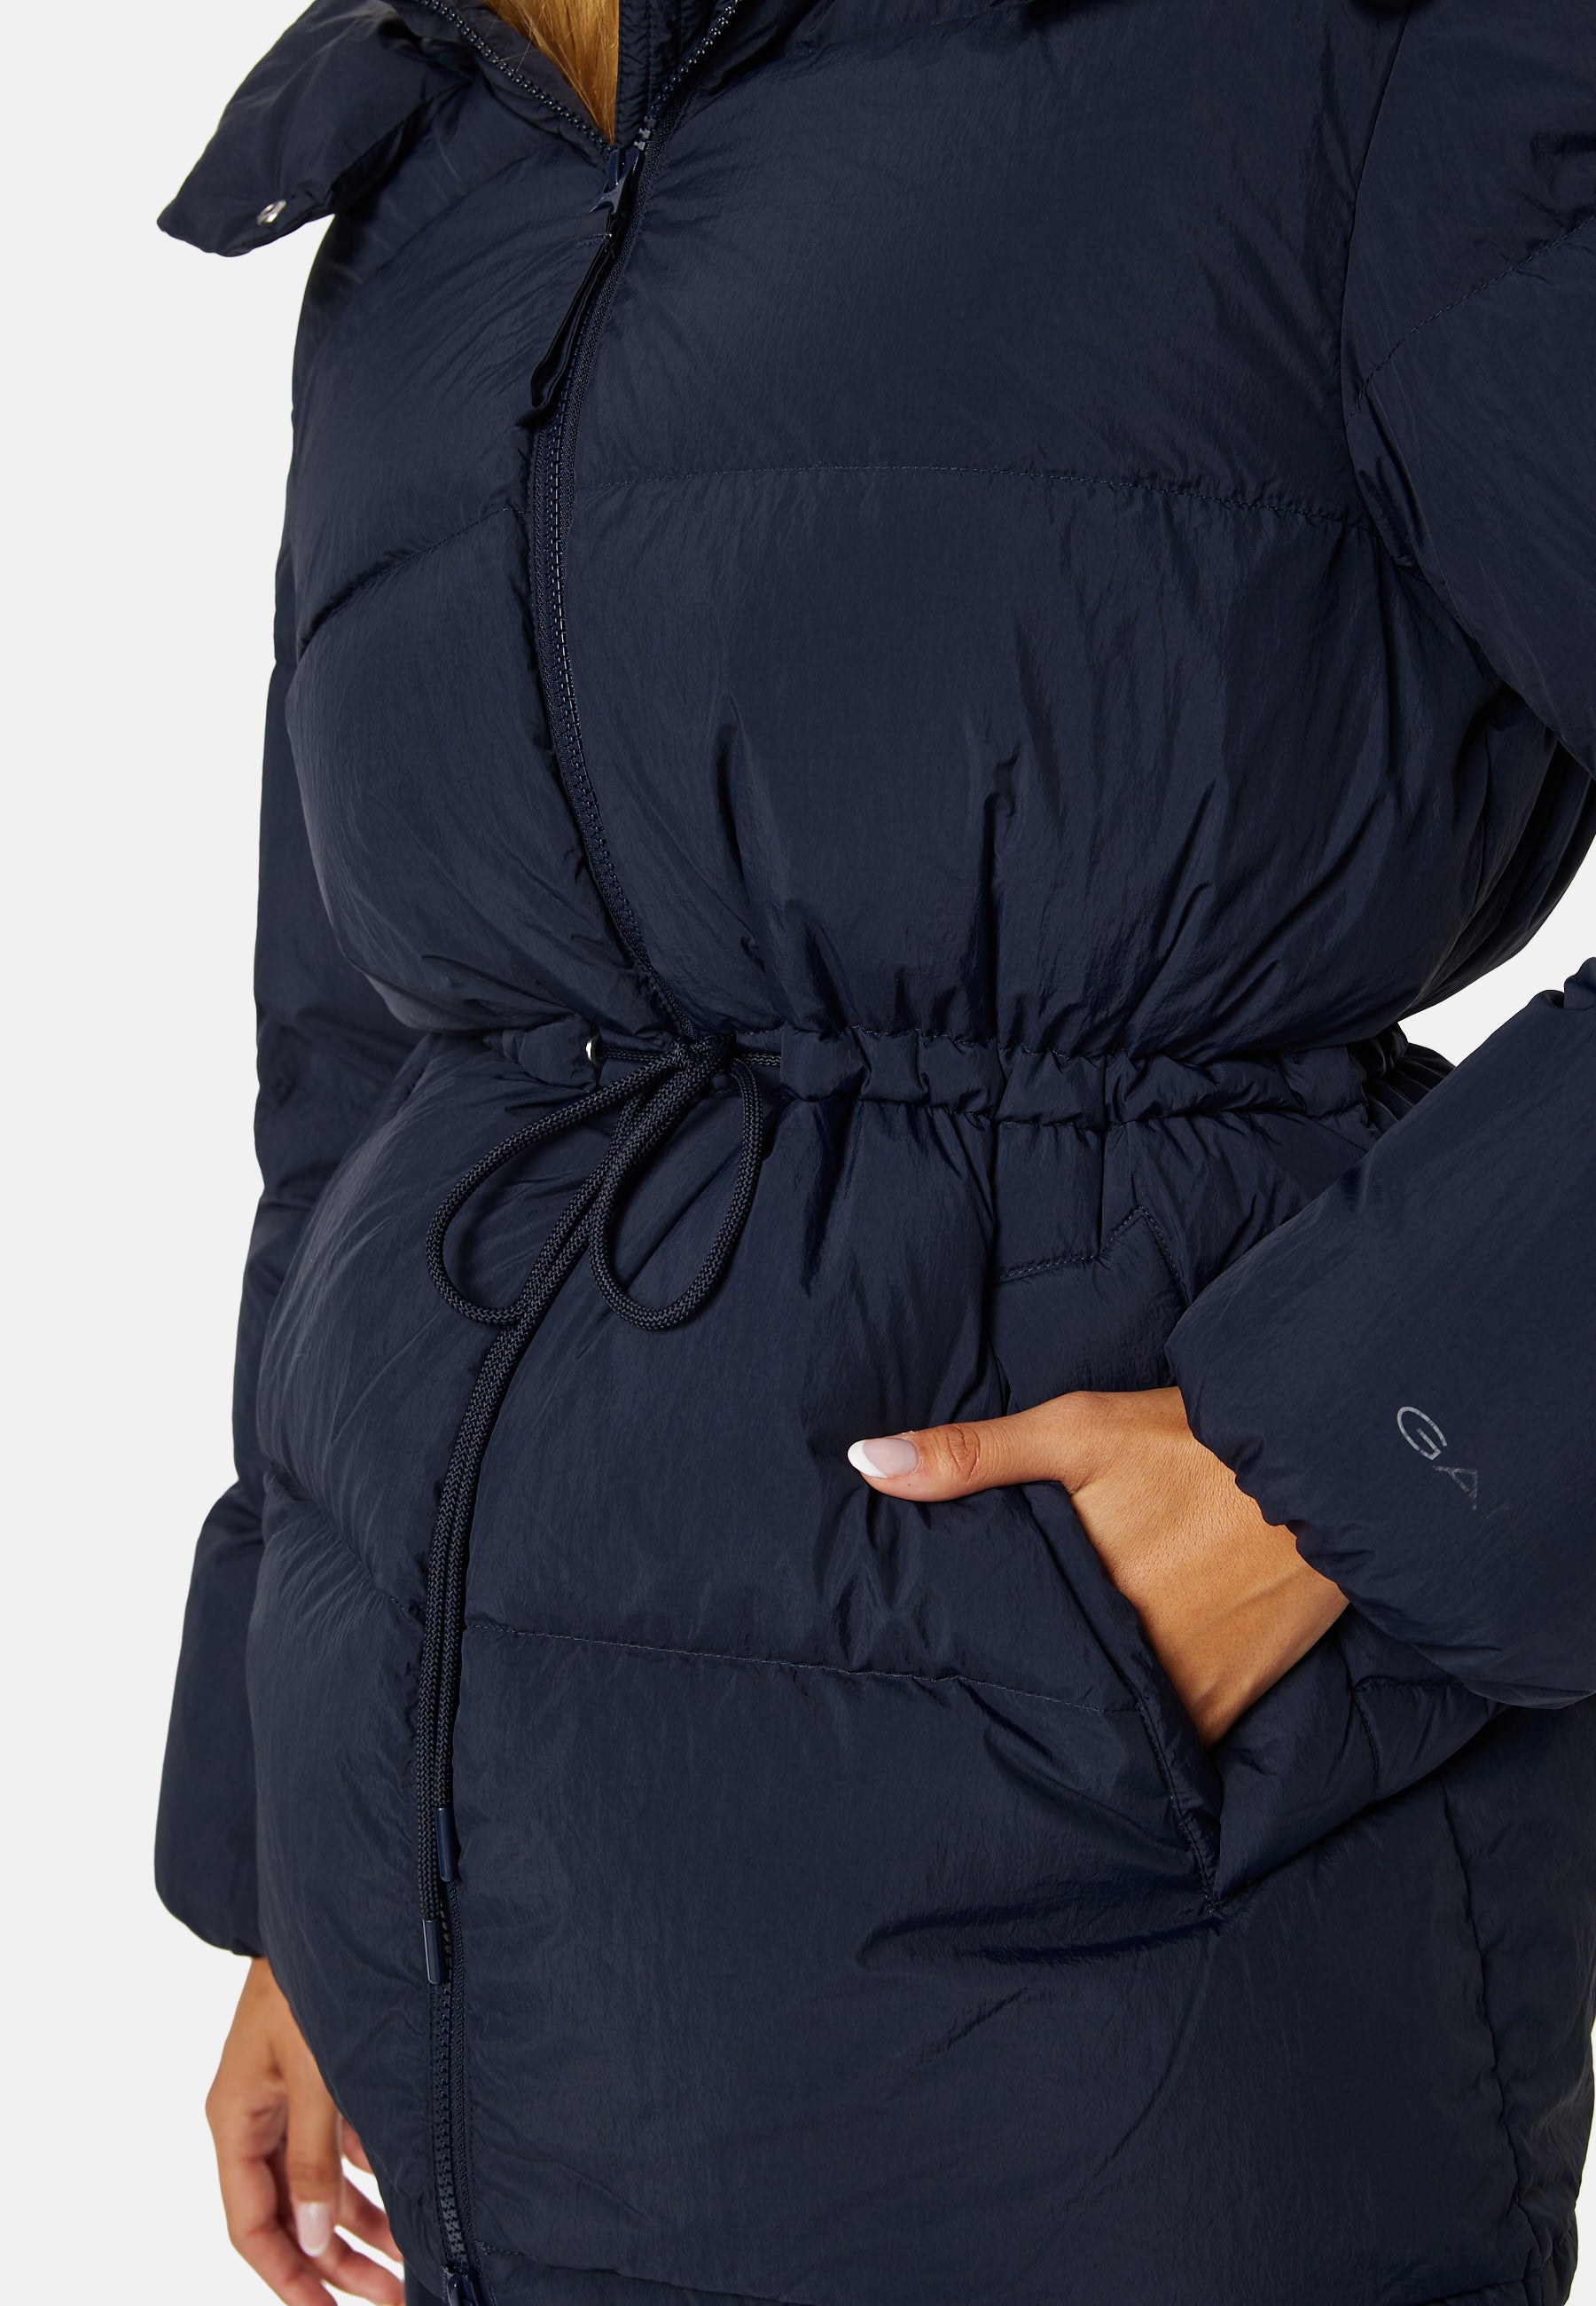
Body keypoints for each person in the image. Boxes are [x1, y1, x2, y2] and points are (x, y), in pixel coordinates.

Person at [156, 0, 1596, 2300]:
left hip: (1113, 1962)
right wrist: (292, 1860)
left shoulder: (1347, 56)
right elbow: (361, 1071)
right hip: (463, 1999)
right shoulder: (426, 158)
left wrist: (1347, 1474)